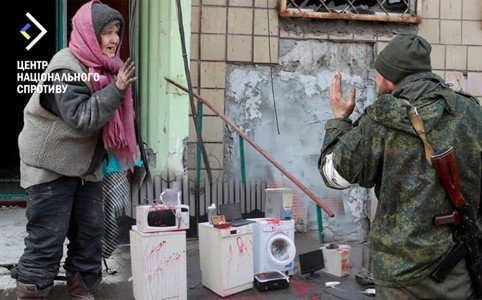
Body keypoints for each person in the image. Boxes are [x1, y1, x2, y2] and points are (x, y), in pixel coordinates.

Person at [319, 33, 482, 298]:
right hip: (460, 271)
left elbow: (335, 175)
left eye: (379, 73)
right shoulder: (470, 111)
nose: (376, 79)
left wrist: (339, 119)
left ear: (391, 78)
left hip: (401, 278)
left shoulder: (381, 119)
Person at [14, 0, 137, 298]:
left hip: (85, 166)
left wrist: (116, 90)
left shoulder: (107, 69)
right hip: (50, 165)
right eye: (106, 32)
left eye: (116, 32)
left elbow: (115, 116)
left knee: (89, 236)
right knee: (47, 237)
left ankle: (83, 289)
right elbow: (83, 118)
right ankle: (32, 292)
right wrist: (117, 90)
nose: (114, 40)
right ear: (88, 33)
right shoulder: (64, 68)